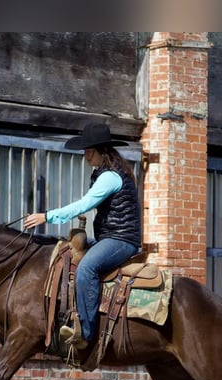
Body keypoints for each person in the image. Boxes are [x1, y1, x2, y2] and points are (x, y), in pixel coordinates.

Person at [24, 123, 142, 350]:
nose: (86, 156)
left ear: (101, 151)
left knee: (86, 268)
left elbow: (83, 205)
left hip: (121, 240)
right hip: (111, 237)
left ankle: (85, 334)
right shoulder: (106, 172)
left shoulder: (110, 177)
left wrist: (46, 216)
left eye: (89, 151)